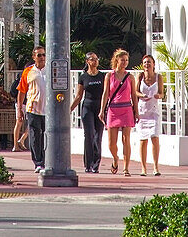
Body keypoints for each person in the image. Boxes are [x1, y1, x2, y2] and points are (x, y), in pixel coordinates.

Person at [100, 48, 138, 176]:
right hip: (113, 109)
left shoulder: (130, 77)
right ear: (117, 60)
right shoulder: (109, 76)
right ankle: (115, 158)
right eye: (122, 60)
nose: (125, 63)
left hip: (127, 108)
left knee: (126, 139)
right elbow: (106, 93)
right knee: (112, 143)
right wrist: (102, 110)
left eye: (126, 60)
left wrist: (136, 111)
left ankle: (126, 168)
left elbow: (133, 95)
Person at [70, 51, 105, 173]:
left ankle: (96, 164)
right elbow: (78, 96)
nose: (95, 61)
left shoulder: (102, 76)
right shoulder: (83, 77)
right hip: (87, 107)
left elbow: (106, 94)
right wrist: (70, 109)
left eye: (96, 59)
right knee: (89, 135)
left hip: (99, 107)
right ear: (87, 61)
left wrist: (105, 109)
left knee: (98, 136)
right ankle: (88, 164)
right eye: (92, 59)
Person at [136, 54, 164, 176]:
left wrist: (159, 96)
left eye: (149, 62)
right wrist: (141, 95)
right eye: (145, 63)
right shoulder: (140, 76)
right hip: (142, 111)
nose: (147, 64)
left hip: (154, 111)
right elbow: (135, 91)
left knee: (154, 137)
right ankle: (143, 168)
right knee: (143, 140)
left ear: (153, 64)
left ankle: (156, 167)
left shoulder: (158, 77)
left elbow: (162, 93)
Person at [24, 47, 47, 173]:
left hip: (47, 110)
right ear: (34, 57)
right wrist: (19, 111)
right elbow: (21, 91)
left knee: (45, 135)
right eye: (39, 55)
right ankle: (38, 162)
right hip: (32, 108)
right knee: (35, 135)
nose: (42, 57)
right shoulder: (28, 71)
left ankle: (45, 160)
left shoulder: (50, 69)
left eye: (43, 55)